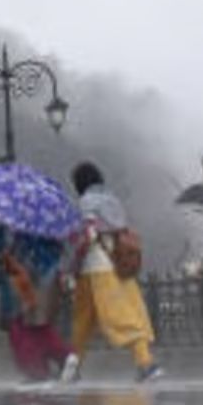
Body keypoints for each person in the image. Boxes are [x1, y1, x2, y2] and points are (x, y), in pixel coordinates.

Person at [68, 162, 162, 384]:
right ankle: (143, 362)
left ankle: (144, 364)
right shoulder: (112, 200)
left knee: (95, 320)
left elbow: (88, 234)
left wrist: (73, 263)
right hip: (116, 264)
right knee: (126, 313)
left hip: (95, 266)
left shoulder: (86, 203)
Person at [0, 224, 76, 384]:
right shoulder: (46, 225)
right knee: (36, 328)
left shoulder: (12, 226)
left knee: (22, 329)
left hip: (24, 279)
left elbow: (4, 253)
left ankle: (39, 369)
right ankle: (54, 361)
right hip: (41, 277)